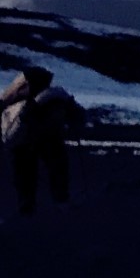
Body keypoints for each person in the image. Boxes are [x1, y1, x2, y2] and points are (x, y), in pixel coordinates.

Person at [2, 65, 85, 216]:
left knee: (26, 170)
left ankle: (28, 203)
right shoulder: (56, 97)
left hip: (29, 140)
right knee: (55, 167)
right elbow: (77, 115)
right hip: (49, 138)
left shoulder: (27, 99)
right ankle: (59, 200)